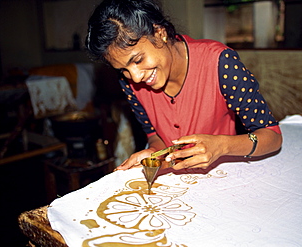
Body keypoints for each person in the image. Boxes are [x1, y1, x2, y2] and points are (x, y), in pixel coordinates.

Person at [86, 0, 282, 171]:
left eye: (138, 59)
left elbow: (271, 136)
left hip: (222, 176)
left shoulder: (220, 62)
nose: (135, 77)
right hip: (174, 183)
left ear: (160, 33)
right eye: (123, 69)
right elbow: (154, 135)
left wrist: (223, 145)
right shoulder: (129, 83)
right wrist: (154, 154)